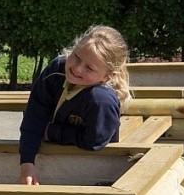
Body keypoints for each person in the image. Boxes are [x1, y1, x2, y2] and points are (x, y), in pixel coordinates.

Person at [19, 25, 131, 185]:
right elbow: (34, 116)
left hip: (92, 172)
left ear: (106, 77)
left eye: (89, 68)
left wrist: (51, 132)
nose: (77, 68)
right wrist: (27, 162)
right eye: (77, 57)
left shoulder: (101, 100)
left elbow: (94, 141)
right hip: (52, 160)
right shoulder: (56, 70)